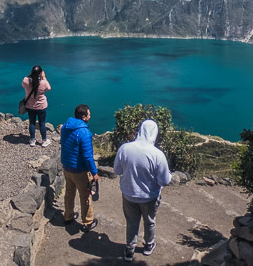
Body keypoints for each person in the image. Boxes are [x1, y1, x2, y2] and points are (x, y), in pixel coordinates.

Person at [113, 120, 172, 261]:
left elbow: (117, 170)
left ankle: (129, 249)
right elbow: (165, 181)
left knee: (132, 222)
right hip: (149, 197)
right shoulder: (157, 155)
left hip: (129, 194)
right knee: (150, 221)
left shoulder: (125, 148)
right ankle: (148, 245)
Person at [60, 104, 99, 232]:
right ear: (84, 117)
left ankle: (68, 216)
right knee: (85, 196)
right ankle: (88, 222)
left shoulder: (66, 126)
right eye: (89, 114)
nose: (90, 115)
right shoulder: (84, 132)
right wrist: (94, 172)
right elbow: (88, 156)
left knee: (69, 192)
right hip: (79, 170)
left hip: (67, 167)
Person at [22, 65, 52, 147]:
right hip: (41, 106)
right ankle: (44, 141)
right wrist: (44, 77)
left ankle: (32, 140)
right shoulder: (43, 82)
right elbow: (49, 88)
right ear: (40, 73)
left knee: (32, 122)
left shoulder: (25, 80)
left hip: (30, 106)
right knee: (42, 123)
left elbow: (23, 86)